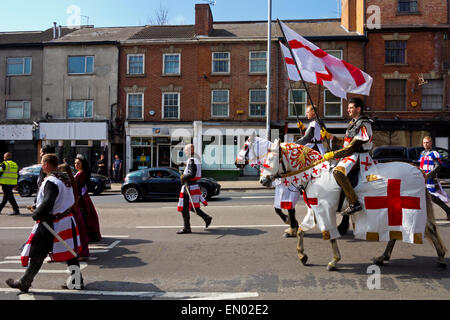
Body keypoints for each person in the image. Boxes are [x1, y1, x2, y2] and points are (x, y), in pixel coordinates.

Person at [6, 154, 83, 293]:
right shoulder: (64, 179)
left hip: (52, 222)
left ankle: (25, 282)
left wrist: (37, 213)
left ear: (47, 165)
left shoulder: (52, 181)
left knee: (37, 252)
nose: (41, 165)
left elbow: (48, 202)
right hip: (65, 220)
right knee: (70, 252)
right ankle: (77, 281)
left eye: (42, 163)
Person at [323, 97, 373, 215]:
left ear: (358, 109)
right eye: (348, 107)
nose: (348, 110)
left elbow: (351, 147)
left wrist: (333, 154)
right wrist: (331, 137)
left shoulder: (364, 124)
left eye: (351, 107)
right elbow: (346, 143)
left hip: (359, 156)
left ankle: (354, 203)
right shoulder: (353, 123)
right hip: (352, 154)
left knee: (338, 172)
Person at [176, 144, 212, 234]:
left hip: (189, 186)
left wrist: (183, 177)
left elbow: (192, 173)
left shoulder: (192, 159)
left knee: (185, 208)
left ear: (190, 150)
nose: (185, 152)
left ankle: (187, 228)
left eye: (186, 150)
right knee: (191, 206)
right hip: (192, 185)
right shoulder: (195, 159)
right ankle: (206, 217)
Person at [58, 163, 90, 260]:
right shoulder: (72, 181)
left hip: (71, 211)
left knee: (75, 233)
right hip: (75, 210)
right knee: (79, 232)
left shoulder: (68, 183)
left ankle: (80, 253)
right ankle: (81, 252)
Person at [419, 136, 450, 220]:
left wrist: (428, 175)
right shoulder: (422, 153)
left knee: (432, 197)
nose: (426, 144)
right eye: (424, 142)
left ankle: (448, 211)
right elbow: (421, 166)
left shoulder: (434, 153)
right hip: (422, 178)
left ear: (431, 143)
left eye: (427, 142)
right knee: (425, 197)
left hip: (430, 178)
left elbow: (438, 166)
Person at [75, 154, 102, 242]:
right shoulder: (79, 173)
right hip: (83, 197)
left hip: (82, 198)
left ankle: (87, 234)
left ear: (82, 164)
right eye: (75, 163)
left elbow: (77, 186)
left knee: (85, 216)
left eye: (78, 163)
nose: (76, 165)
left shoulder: (81, 174)